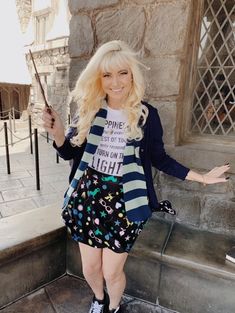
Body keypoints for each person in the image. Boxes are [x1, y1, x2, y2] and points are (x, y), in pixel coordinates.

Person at [42, 40, 230, 313]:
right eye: (107, 75)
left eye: (123, 73)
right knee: (91, 267)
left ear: (132, 74)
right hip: (87, 197)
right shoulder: (90, 109)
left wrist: (200, 177)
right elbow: (70, 152)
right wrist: (58, 133)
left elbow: (160, 159)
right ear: (99, 78)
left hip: (126, 201)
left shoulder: (146, 115)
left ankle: (115, 306)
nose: (115, 82)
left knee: (111, 272)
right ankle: (99, 300)